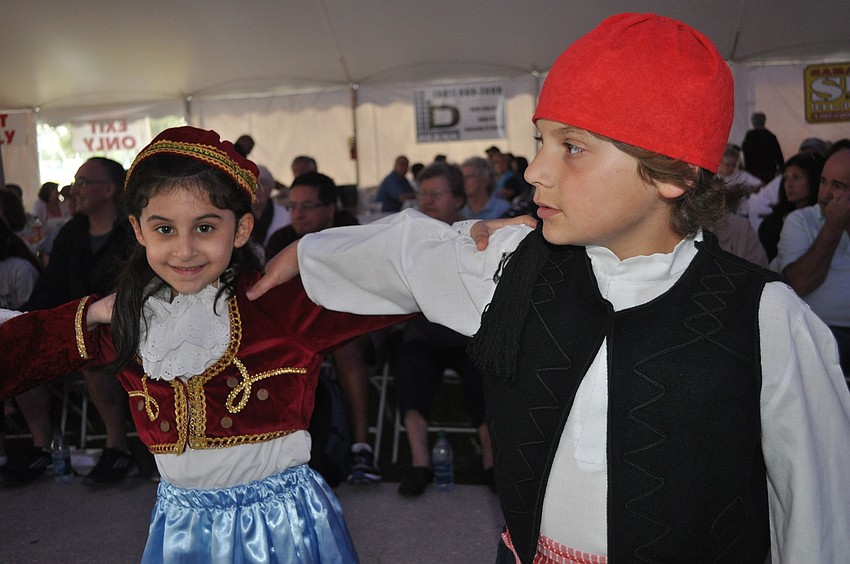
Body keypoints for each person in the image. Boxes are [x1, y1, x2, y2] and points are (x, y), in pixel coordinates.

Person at [248, 13, 850, 562]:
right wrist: (309, 250)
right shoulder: (513, 266)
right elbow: (408, 253)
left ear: (673, 174)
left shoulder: (767, 319)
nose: (536, 169)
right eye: (540, 141)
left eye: (572, 147)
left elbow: (818, 515)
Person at [0, 126, 406, 562]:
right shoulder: (129, 320)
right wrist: (92, 313)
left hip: (279, 529)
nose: (185, 249)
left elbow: (401, 274)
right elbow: (19, 351)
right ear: (138, 230)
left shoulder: (276, 305)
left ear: (241, 228)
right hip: (180, 528)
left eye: (205, 226)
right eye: (164, 229)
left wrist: (315, 254)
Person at [12, 158, 138, 487]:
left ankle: (117, 447)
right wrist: (27, 321)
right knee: (24, 346)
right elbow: (50, 289)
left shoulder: (133, 232)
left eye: (83, 182)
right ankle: (41, 445)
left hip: (120, 333)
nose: (74, 190)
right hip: (76, 326)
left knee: (91, 348)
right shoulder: (72, 232)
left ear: (110, 189)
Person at [266, 171, 381, 486]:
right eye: (292, 206)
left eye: (308, 206)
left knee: (346, 348)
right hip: (302, 330)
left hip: (356, 325)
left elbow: (363, 297)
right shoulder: (281, 240)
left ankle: (361, 447)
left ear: (330, 208)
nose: (297, 214)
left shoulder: (353, 236)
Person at [394, 162, 494, 497]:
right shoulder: (410, 237)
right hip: (424, 333)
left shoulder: (476, 234)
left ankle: (492, 464)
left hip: (469, 335)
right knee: (409, 368)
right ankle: (420, 464)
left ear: (457, 198)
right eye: (422, 193)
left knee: (485, 375)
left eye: (436, 194)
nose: (427, 201)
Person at [773, 142, 850, 377]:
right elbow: (800, 283)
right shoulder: (800, 221)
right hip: (819, 338)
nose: (825, 194)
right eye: (823, 182)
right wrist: (833, 227)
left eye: (837, 186)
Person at [758, 152, 825, 261]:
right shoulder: (773, 222)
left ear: (814, 180)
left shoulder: (823, 218)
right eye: (785, 178)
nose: (789, 184)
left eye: (797, 178)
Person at [249, 165, 290, 256]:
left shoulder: (284, 214)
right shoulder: (238, 212)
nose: (256, 189)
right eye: (252, 184)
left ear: (270, 188)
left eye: (261, 184)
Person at [741, 111, 784, 185]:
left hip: (752, 172)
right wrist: (782, 169)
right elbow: (778, 155)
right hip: (768, 172)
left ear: (753, 122)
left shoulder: (750, 135)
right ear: (764, 121)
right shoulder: (771, 136)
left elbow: (744, 150)